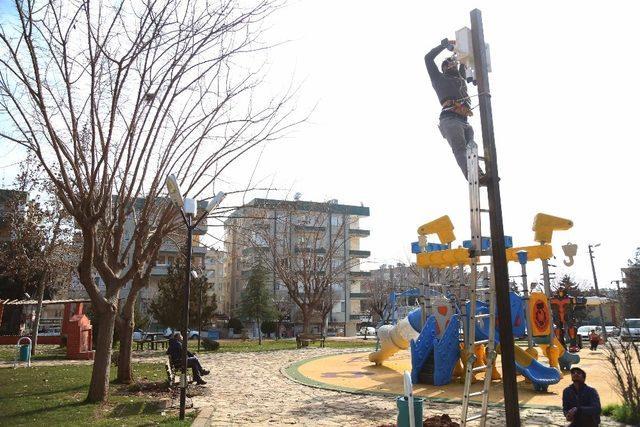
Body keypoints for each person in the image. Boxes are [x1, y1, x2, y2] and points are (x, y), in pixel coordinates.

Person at [424, 38, 488, 186]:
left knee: (471, 148)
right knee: (460, 149)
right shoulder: (438, 78)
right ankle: (473, 177)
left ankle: (479, 174)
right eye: (449, 64)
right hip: (450, 119)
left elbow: (464, 61)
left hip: (464, 120)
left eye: (453, 62)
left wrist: (460, 49)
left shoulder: (460, 78)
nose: (453, 64)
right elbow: (428, 58)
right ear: (444, 68)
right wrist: (443, 46)